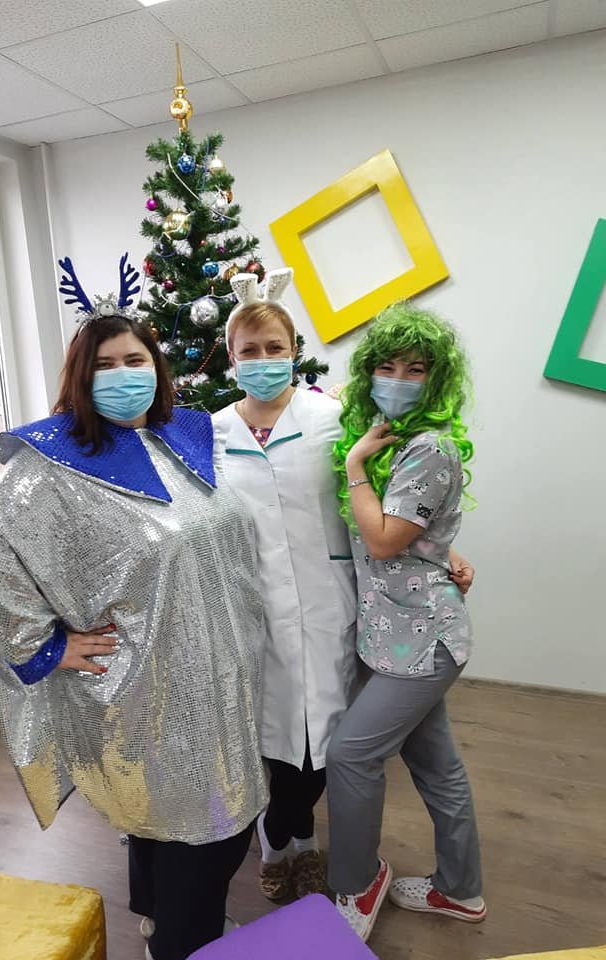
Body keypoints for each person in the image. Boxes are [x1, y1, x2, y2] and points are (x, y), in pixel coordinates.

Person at [0, 254, 267, 960]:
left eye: (135, 360)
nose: (124, 374)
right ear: (80, 377)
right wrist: (46, 645)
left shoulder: (183, 439)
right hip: (148, 685)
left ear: (157, 367)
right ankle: (183, 942)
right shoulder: (55, 462)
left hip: (223, 672)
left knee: (171, 817)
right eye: (105, 364)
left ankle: (163, 925)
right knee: (202, 830)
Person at [213, 272, 474, 903]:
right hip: (257, 610)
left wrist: (444, 550)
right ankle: (280, 844)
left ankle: (305, 840)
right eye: (249, 351)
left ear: (294, 350)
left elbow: (387, 498)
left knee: (329, 742)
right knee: (275, 740)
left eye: (275, 348)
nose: (263, 361)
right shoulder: (211, 433)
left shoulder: (334, 418)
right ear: (231, 358)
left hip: (337, 605)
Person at [326, 303, 485, 942]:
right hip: (397, 636)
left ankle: (358, 881)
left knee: (351, 754)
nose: (397, 379)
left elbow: (385, 538)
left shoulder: (429, 447)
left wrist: (354, 469)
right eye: (386, 367)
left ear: (435, 378)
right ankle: (461, 891)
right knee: (436, 766)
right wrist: (447, 551)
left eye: (414, 369)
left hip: (423, 642)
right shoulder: (385, 435)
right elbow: (416, 531)